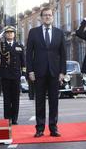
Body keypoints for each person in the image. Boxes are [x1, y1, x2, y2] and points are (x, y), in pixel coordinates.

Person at [26, 7, 66, 137]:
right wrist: (30, 71)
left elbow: (63, 54)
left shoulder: (59, 33)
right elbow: (28, 54)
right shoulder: (33, 32)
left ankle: (53, 128)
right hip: (39, 71)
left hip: (54, 72)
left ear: (53, 17)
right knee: (40, 101)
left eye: (49, 15)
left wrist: (62, 72)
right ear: (41, 18)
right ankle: (40, 128)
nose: (47, 17)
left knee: (54, 101)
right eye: (45, 15)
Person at [0, 26, 26, 125]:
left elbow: (23, 61)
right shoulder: (1, 45)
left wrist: (23, 74)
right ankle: (7, 118)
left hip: (16, 75)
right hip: (5, 75)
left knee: (15, 98)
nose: (9, 34)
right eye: (7, 32)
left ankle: (14, 118)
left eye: (11, 32)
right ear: (5, 34)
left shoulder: (19, 45)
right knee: (7, 98)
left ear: (14, 34)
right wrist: (0, 35)